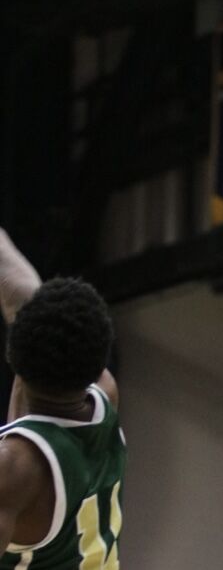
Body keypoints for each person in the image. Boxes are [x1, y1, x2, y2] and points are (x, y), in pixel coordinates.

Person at [0, 228, 126, 570]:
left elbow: (18, 289)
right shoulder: (105, 395)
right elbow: (23, 294)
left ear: (14, 357)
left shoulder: (15, 469)